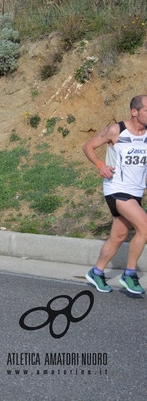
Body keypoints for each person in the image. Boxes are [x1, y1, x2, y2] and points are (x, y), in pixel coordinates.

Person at [82, 95, 147, 294]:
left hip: (136, 190)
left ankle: (96, 272)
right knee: (145, 227)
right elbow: (88, 146)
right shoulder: (116, 130)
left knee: (118, 236)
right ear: (134, 112)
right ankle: (129, 274)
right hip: (116, 189)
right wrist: (100, 165)